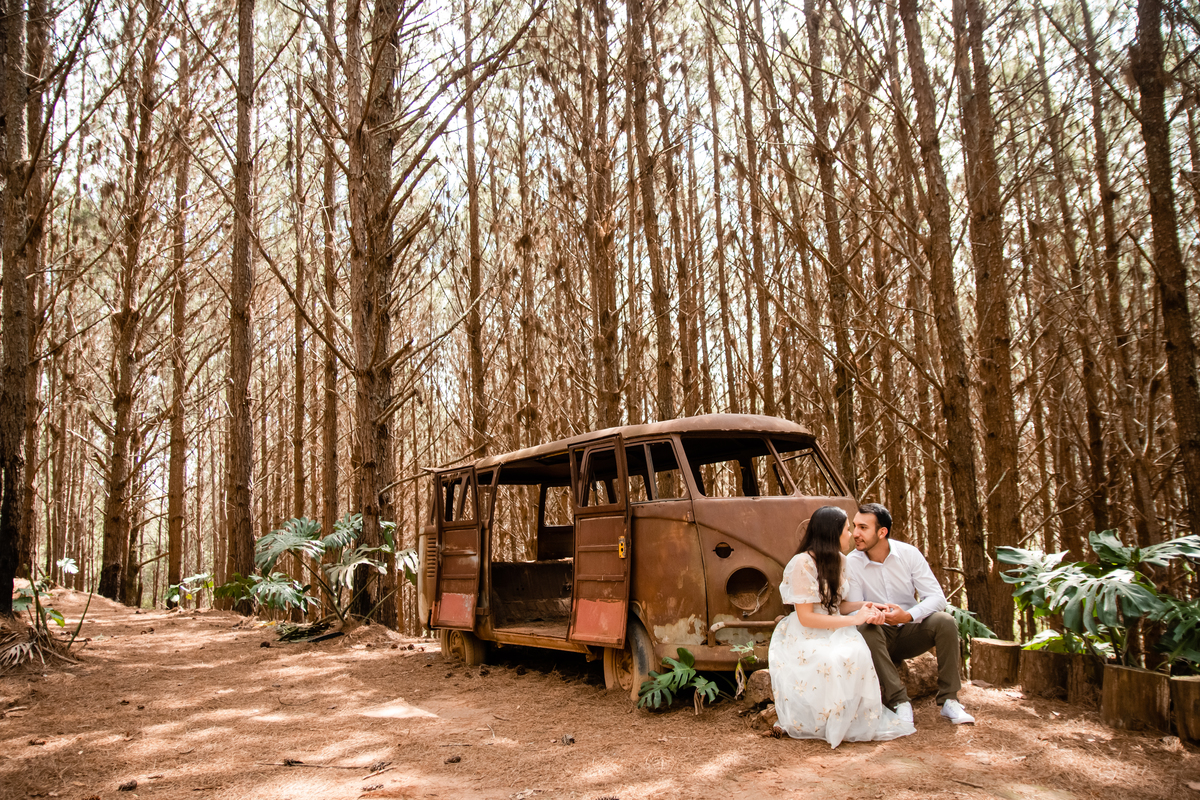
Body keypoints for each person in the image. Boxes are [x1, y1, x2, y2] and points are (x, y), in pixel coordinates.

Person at [768, 505, 917, 747]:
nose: (851, 535)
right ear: (831, 533)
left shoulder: (840, 560)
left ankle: (849, 719)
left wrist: (868, 606)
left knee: (855, 651)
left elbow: (839, 605)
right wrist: (853, 620)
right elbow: (807, 617)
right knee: (830, 658)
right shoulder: (802, 563)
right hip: (806, 632)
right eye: (847, 530)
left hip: (837, 626)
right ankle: (827, 720)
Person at [847, 502, 975, 725]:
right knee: (866, 629)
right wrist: (872, 615)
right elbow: (855, 608)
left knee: (945, 621)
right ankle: (899, 702)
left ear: (882, 531)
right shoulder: (852, 562)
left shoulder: (908, 554)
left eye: (863, 528)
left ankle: (949, 701)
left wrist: (908, 615)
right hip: (877, 636)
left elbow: (937, 598)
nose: (855, 533)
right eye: (855, 526)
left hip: (910, 631)